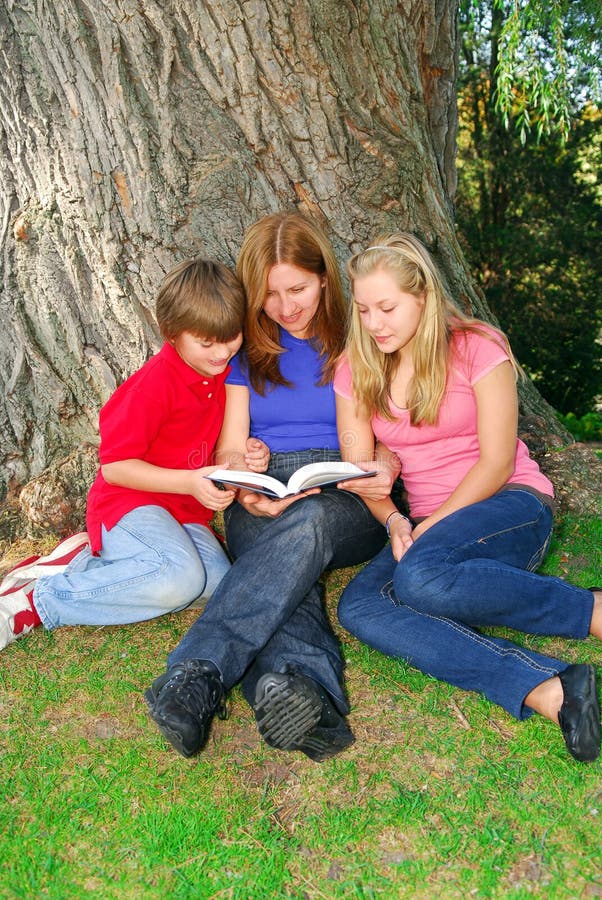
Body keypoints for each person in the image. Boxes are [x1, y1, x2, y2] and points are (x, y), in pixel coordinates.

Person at [334, 232, 601, 763]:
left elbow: (497, 460)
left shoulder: (478, 347)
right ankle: (549, 688)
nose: (374, 323)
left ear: (424, 298)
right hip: (432, 524)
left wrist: (429, 529)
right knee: (360, 605)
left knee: (420, 577)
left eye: (387, 307)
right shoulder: (355, 367)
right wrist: (392, 520)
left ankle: (590, 610)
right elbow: (363, 471)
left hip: (509, 502)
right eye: (363, 310)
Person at [145, 212, 395, 762]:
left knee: (304, 523)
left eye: (298, 288)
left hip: (342, 490)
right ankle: (301, 695)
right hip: (263, 485)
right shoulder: (246, 354)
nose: (286, 307)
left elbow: (389, 430)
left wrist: (380, 464)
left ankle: (199, 672)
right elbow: (230, 445)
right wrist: (243, 480)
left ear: (325, 278)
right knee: (286, 560)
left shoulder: (359, 337)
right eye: (270, 293)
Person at [0, 258, 267, 651]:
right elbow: (115, 469)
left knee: (215, 585)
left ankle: (80, 560)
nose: (221, 352)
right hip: (130, 504)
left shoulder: (226, 374)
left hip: (184, 514)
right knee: (179, 580)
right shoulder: (153, 385)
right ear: (171, 334)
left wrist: (246, 459)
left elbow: (224, 448)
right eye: (206, 343)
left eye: (230, 338)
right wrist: (190, 481)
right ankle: (37, 601)